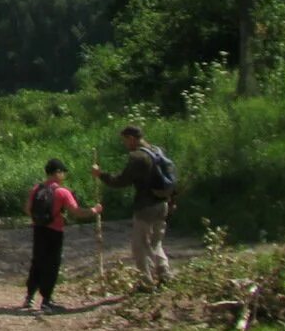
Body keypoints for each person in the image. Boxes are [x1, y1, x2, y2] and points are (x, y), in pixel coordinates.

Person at [93, 124, 176, 287]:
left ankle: (145, 282)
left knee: (140, 245)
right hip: (162, 203)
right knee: (156, 241)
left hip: (145, 207)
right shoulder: (157, 150)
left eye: (125, 141)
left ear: (131, 138)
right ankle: (164, 272)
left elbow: (121, 181)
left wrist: (100, 175)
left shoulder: (138, 157)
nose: (125, 144)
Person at [24, 158, 99, 312]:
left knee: (37, 261)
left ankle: (29, 297)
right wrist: (94, 210)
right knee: (52, 264)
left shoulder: (36, 189)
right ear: (57, 173)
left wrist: (40, 220)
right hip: (55, 232)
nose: (64, 175)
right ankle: (46, 300)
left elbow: (27, 209)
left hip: (38, 229)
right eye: (63, 172)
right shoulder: (62, 192)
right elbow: (76, 212)